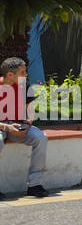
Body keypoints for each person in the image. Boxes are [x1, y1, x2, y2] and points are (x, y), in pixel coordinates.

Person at [0, 58, 48, 198]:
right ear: (10, 75)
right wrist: (6, 127)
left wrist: (26, 126)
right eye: (22, 72)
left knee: (40, 137)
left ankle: (35, 185)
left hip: (17, 125)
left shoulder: (25, 86)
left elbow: (30, 112)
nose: (26, 75)